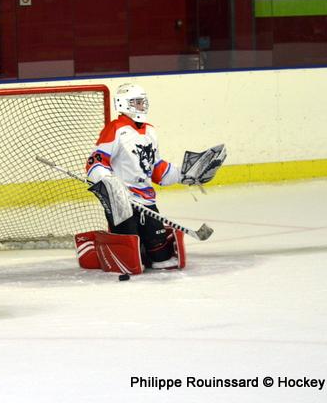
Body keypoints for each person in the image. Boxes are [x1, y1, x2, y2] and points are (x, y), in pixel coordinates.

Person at [82, 83, 223, 274]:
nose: (142, 106)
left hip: (146, 200)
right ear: (124, 104)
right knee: (131, 258)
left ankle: (148, 251)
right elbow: (95, 162)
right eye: (137, 102)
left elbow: (157, 169)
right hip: (122, 200)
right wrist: (109, 181)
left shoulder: (150, 131)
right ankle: (100, 247)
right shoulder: (115, 129)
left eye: (143, 102)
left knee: (161, 257)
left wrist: (184, 175)